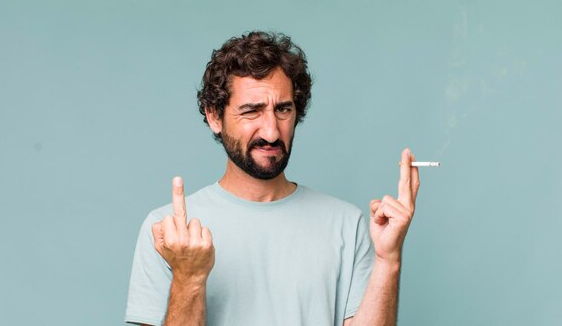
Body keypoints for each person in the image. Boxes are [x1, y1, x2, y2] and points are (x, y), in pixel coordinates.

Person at [125, 31, 420, 326]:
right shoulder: (168, 232)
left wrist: (388, 259)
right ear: (215, 117)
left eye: (282, 110)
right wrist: (188, 278)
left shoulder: (346, 224)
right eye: (251, 111)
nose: (271, 131)